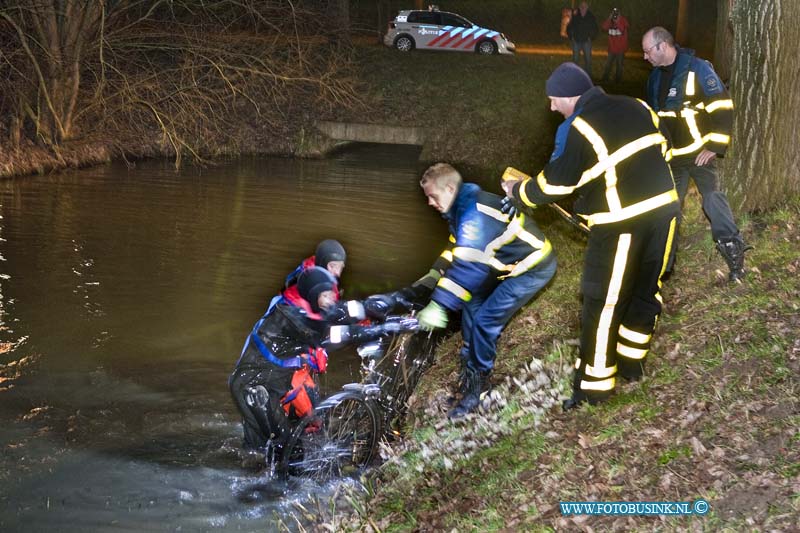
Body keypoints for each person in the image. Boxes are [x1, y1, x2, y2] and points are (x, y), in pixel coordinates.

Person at [501, 62, 679, 409]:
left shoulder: (581, 126)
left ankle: (593, 390)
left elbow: (557, 182)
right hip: (666, 213)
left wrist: (518, 192)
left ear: (570, 97)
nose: (552, 107)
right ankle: (631, 366)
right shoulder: (637, 105)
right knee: (646, 290)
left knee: (603, 304)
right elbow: (665, 149)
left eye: (555, 100)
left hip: (620, 224)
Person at [415, 163, 557, 419]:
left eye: (432, 196)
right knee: (471, 304)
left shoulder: (475, 214)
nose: (429, 203)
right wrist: (436, 271)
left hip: (532, 268)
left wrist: (439, 304)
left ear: (449, 188)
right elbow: (457, 247)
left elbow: (469, 268)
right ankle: (469, 371)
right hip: (503, 265)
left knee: (485, 321)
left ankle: (479, 389)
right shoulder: (460, 208)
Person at [229, 266, 411, 454]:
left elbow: (344, 311)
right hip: (254, 390)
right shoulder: (292, 317)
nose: (330, 300)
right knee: (285, 451)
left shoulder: (310, 306)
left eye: (330, 294)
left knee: (263, 449)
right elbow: (335, 335)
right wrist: (380, 330)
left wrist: (393, 300)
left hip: (268, 383)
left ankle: (257, 466)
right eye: (325, 296)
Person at [642, 26, 750, 282]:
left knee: (713, 198)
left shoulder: (699, 69)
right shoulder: (655, 78)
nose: (645, 57)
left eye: (647, 51)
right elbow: (656, 118)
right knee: (668, 210)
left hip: (700, 152)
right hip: (673, 158)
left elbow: (723, 107)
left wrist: (715, 145)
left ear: (662, 46)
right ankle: (661, 270)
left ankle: (734, 256)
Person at [566, 2, 598, 76]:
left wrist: (591, 37)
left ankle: (588, 75)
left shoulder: (591, 16)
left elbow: (595, 28)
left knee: (588, 60)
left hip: (586, 41)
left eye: (584, 6)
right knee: (575, 59)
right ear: (579, 7)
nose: (583, 8)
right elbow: (569, 27)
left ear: (587, 7)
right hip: (576, 41)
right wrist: (571, 37)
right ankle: (574, 75)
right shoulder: (575, 16)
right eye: (581, 6)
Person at [600, 7, 629, 84]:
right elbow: (603, 27)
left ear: (620, 13)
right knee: (608, 64)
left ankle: (618, 80)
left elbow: (622, 30)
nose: (615, 15)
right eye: (614, 13)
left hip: (620, 48)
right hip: (611, 48)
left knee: (619, 65)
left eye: (617, 13)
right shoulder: (610, 21)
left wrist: (618, 21)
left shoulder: (623, 20)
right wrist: (609, 18)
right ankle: (605, 78)